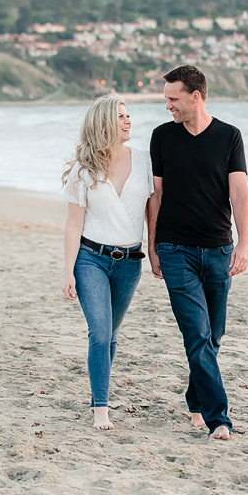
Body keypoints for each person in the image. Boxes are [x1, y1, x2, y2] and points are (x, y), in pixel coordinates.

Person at [147, 65, 248, 441]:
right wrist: (153, 245)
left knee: (213, 335)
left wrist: (244, 243)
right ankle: (218, 417)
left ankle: (195, 399)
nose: (168, 106)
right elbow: (155, 196)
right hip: (175, 249)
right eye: (166, 99)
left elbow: (238, 193)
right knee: (196, 332)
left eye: (173, 99)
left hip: (219, 248)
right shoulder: (162, 137)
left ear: (196, 96)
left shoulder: (229, 137)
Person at [62, 92, 153, 430]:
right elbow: (73, 224)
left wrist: (155, 253)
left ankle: (97, 392)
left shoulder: (145, 161)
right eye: (120, 116)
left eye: (128, 115)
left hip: (130, 262)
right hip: (91, 259)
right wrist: (69, 270)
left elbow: (152, 212)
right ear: (103, 123)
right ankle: (101, 407)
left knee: (112, 335)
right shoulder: (84, 170)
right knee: (99, 333)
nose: (128, 121)